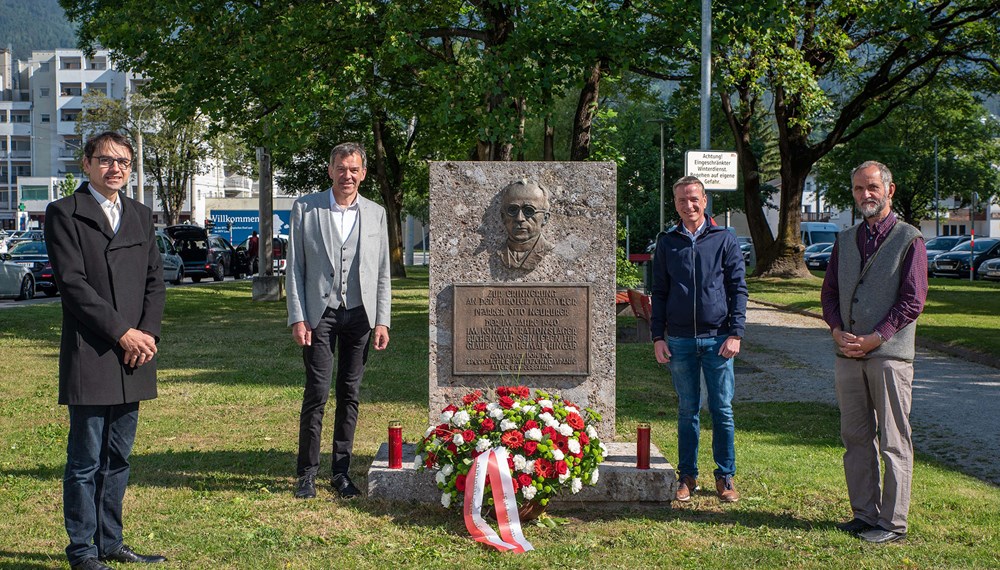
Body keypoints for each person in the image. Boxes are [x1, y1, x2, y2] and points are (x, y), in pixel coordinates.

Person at [44, 131, 167, 570]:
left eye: (124, 162)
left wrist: (146, 335)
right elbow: (73, 286)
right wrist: (123, 333)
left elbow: (155, 281)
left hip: (136, 354)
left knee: (118, 457)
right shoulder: (64, 214)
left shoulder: (140, 214)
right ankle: (82, 550)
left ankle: (111, 542)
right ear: (87, 164)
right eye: (106, 160)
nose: (116, 168)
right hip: (92, 350)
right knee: (85, 459)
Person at [821, 161, 928, 544]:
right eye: (858, 189)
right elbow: (829, 294)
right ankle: (864, 514)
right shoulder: (845, 239)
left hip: (889, 355)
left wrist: (875, 337)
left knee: (894, 440)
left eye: (871, 187)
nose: (865, 195)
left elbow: (913, 300)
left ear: (889, 190)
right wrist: (837, 331)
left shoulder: (908, 239)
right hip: (847, 354)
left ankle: (892, 523)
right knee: (855, 437)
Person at [286, 142, 392, 499]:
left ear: (363, 173)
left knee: (350, 392)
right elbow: (296, 269)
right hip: (319, 315)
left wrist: (383, 320)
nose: (348, 175)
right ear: (330, 170)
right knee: (316, 392)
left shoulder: (376, 212)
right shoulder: (306, 208)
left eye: (355, 169)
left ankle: (341, 472)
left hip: (360, 315)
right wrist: (298, 317)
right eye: (342, 168)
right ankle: (307, 474)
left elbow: (382, 272)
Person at [650, 175, 748, 503]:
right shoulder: (667, 243)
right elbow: (659, 292)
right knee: (687, 409)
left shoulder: (724, 238)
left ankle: (725, 476)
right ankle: (687, 476)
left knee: (721, 409)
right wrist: (657, 337)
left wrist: (735, 333)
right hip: (678, 341)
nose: (688, 205)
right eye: (681, 201)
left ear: (705, 201)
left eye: (694, 199)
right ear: (675, 205)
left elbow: (738, 288)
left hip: (718, 340)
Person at [496, 180, 554, 271]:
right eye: (512, 210)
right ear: (503, 217)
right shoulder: (498, 252)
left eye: (529, 211)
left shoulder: (548, 249)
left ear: (545, 218)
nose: (519, 218)